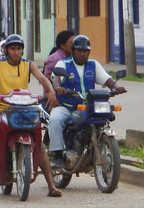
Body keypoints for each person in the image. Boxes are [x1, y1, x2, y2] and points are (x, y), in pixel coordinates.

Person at [0, 34, 59, 198]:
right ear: (6, 50)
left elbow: (42, 79)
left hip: (24, 110)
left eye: (19, 49)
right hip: (2, 110)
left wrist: (50, 91)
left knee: (40, 148)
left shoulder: (29, 65)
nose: (16, 52)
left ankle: (51, 185)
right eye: (12, 49)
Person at [47, 34, 126, 169]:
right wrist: (57, 87)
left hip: (89, 106)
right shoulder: (64, 63)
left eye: (86, 51)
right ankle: (58, 155)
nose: (83, 54)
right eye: (79, 50)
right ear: (72, 51)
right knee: (54, 120)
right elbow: (56, 77)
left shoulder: (93, 65)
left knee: (105, 117)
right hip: (67, 106)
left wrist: (115, 87)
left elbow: (106, 79)